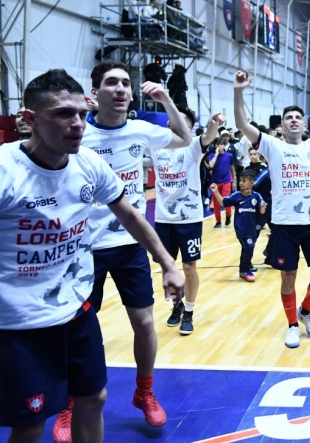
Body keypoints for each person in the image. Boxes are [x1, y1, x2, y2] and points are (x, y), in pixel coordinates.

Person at [0, 69, 183, 443]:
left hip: (75, 307)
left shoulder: (87, 163)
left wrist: (168, 264)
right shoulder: (6, 171)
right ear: (30, 120)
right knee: (31, 423)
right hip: (20, 322)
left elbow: (131, 214)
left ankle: (144, 392)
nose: (77, 124)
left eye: (79, 114)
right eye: (63, 114)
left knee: (95, 397)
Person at [51, 61, 192, 441]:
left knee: (145, 323)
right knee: (75, 330)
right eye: (111, 83)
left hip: (130, 244)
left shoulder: (142, 129)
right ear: (93, 94)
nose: (120, 89)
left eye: (126, 83)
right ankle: (68, 404)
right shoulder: (77, 134)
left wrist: (165, 99)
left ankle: (144, 392)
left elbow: (184, 136)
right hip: (83, 247)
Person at [232, 71, 310, 349]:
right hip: (283, 225)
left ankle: (305, 311)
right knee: (288, 277)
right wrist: (238, 91)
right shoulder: (272, 146)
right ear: (282, 126)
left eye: (298, 117)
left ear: (305, 124)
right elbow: (242, 123)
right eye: (288, 118)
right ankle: (292, 325)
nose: (293, 120)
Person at [150, 111, 222, 335]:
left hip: (189, 218)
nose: (172, 120)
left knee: (189, 268)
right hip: (163, 218)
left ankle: (189, 311)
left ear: (189, 127)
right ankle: (177, 305)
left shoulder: (192, 148)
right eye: (171, 117)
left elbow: (209, 137)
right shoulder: (156, 145)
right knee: (167, 268)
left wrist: (214, 124)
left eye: (180, 118)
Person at [210, 172, 267, 282]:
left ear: (251, 183)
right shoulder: (236, 196)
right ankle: (246, 270)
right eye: (240, 181)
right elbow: (223, 202)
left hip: (252, 228)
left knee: (246, 248)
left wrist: (263, 207)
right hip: (241, 228)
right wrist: (215, 191)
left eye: (244, 181)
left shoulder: (256, 196)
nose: (241, 183)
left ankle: (243, 270)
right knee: (249, 247)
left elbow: (261, 211)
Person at [208, 138, 237, 228]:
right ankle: (218, 221)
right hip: (215, 182)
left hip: (226, 181)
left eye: (221, 144)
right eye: (217, 144)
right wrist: (216, 154)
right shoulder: (212, 155)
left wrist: (234, 181)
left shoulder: (229, 155)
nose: (219, 146)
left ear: (224, 145)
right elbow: (211, 165)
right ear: (215, 146)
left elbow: (232, 168)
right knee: (216, 203)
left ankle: (228, 215)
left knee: (226, 200)